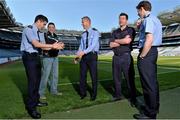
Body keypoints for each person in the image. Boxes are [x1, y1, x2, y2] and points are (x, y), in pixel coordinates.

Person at [20, 15, 63, 119]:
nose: (44, 26)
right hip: (29, 57)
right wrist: (52, 46)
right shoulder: (29, 29)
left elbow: (42, 47)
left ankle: (36, 101)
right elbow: (36, 44)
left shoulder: (37, 32)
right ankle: (31, 108)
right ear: (39, 21)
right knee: (32, 82)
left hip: (36, 56)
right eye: (44, 24)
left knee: (37, 80)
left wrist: (57, 46)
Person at [133, 1, 162, 119]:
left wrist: (142, 55)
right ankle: (153, 107)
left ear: (142, 8)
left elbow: (149, 39)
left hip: (148, 53)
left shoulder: (149, 19)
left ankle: (150, 114)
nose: (138, 14)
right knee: (152, 83)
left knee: (148, 84)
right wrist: (139, 26)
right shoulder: (155, 19)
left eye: (138, 11)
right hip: (153, 52)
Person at [109, 13, 136, 106]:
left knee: (129, 78)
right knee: (116, 78)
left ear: (126, 20)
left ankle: (133, 99)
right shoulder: (114, 31)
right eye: (120, 18)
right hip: (116, 57)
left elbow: (127, 41)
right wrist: (122, 41)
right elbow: (111, 44)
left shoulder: (131, 30)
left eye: (123, 18)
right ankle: (118, 95)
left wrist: (116, 41)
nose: (121, 20)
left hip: (126, 57)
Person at [76, 16, 100, 101]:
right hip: (84, 57)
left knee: (94, 76)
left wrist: (83, 52)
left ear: (88, 22)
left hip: (92, 56)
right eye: (82, 22)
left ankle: (94, 94)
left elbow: (92, 45)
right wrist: (77, 56)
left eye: (83, 22)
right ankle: (83, 93)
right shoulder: (83, 34)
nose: (82, 24)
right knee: (82, 76)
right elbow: (81, 46)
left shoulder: (95, 32)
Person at [39, 22, 64, 100]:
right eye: (49, 27)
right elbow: (43, 46)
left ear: (55, 28)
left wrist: (62, 45)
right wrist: (54, 47)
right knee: (45, 76)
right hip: (47, 57)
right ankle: (41, 93)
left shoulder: (56, 36)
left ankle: (54, 91)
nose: (51, 28)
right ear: (47, 28)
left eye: (53, 27)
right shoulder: (44, 35)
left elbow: (61, 45)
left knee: (55, 75)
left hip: (55, 57)